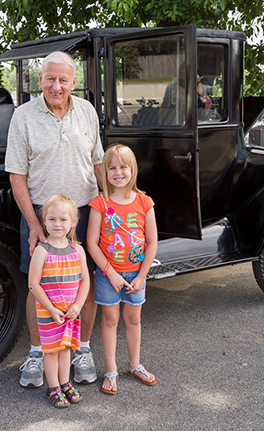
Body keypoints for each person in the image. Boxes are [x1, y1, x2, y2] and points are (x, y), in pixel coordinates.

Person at [5, 51, 104, 388]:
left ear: (73, 82)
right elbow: (17, 175)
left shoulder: (87, 111)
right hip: (42, 216)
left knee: (83, 281)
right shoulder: (23, 116)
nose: (56, 86)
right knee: (39, 285)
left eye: (63, 80)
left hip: (85, 211)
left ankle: (82, 348)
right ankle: (37, 351)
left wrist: (107, 209)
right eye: (50, 78)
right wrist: (34, 225)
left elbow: (98, 162)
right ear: (40, 80)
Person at [87, 144, 158, 395]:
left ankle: (135, 364)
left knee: (133, 319)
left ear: (132, 170)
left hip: (136, 275)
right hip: (109, 275)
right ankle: (111, 369)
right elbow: (92, 244)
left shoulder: (144, 202)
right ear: (104, 172)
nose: (118, 172)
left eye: (123, 167)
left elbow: (151, 242)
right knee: (110, 319)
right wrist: (110, 272)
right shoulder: (100, 203)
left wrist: (142, 275)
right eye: (112, 168)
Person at [28, 194, 90, 408]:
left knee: (65, 349)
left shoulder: (77, 250)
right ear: (44, 221)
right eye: (52, 219)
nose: (57, 224)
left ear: (73, 222)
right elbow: (33, 284)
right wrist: (51, 309)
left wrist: (78, 305)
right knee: (51, 350)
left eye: (63, 220)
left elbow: (85, 280)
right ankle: (53, 386)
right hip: (49, 312)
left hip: (71, 311)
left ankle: (65, 382)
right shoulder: (41, 251)